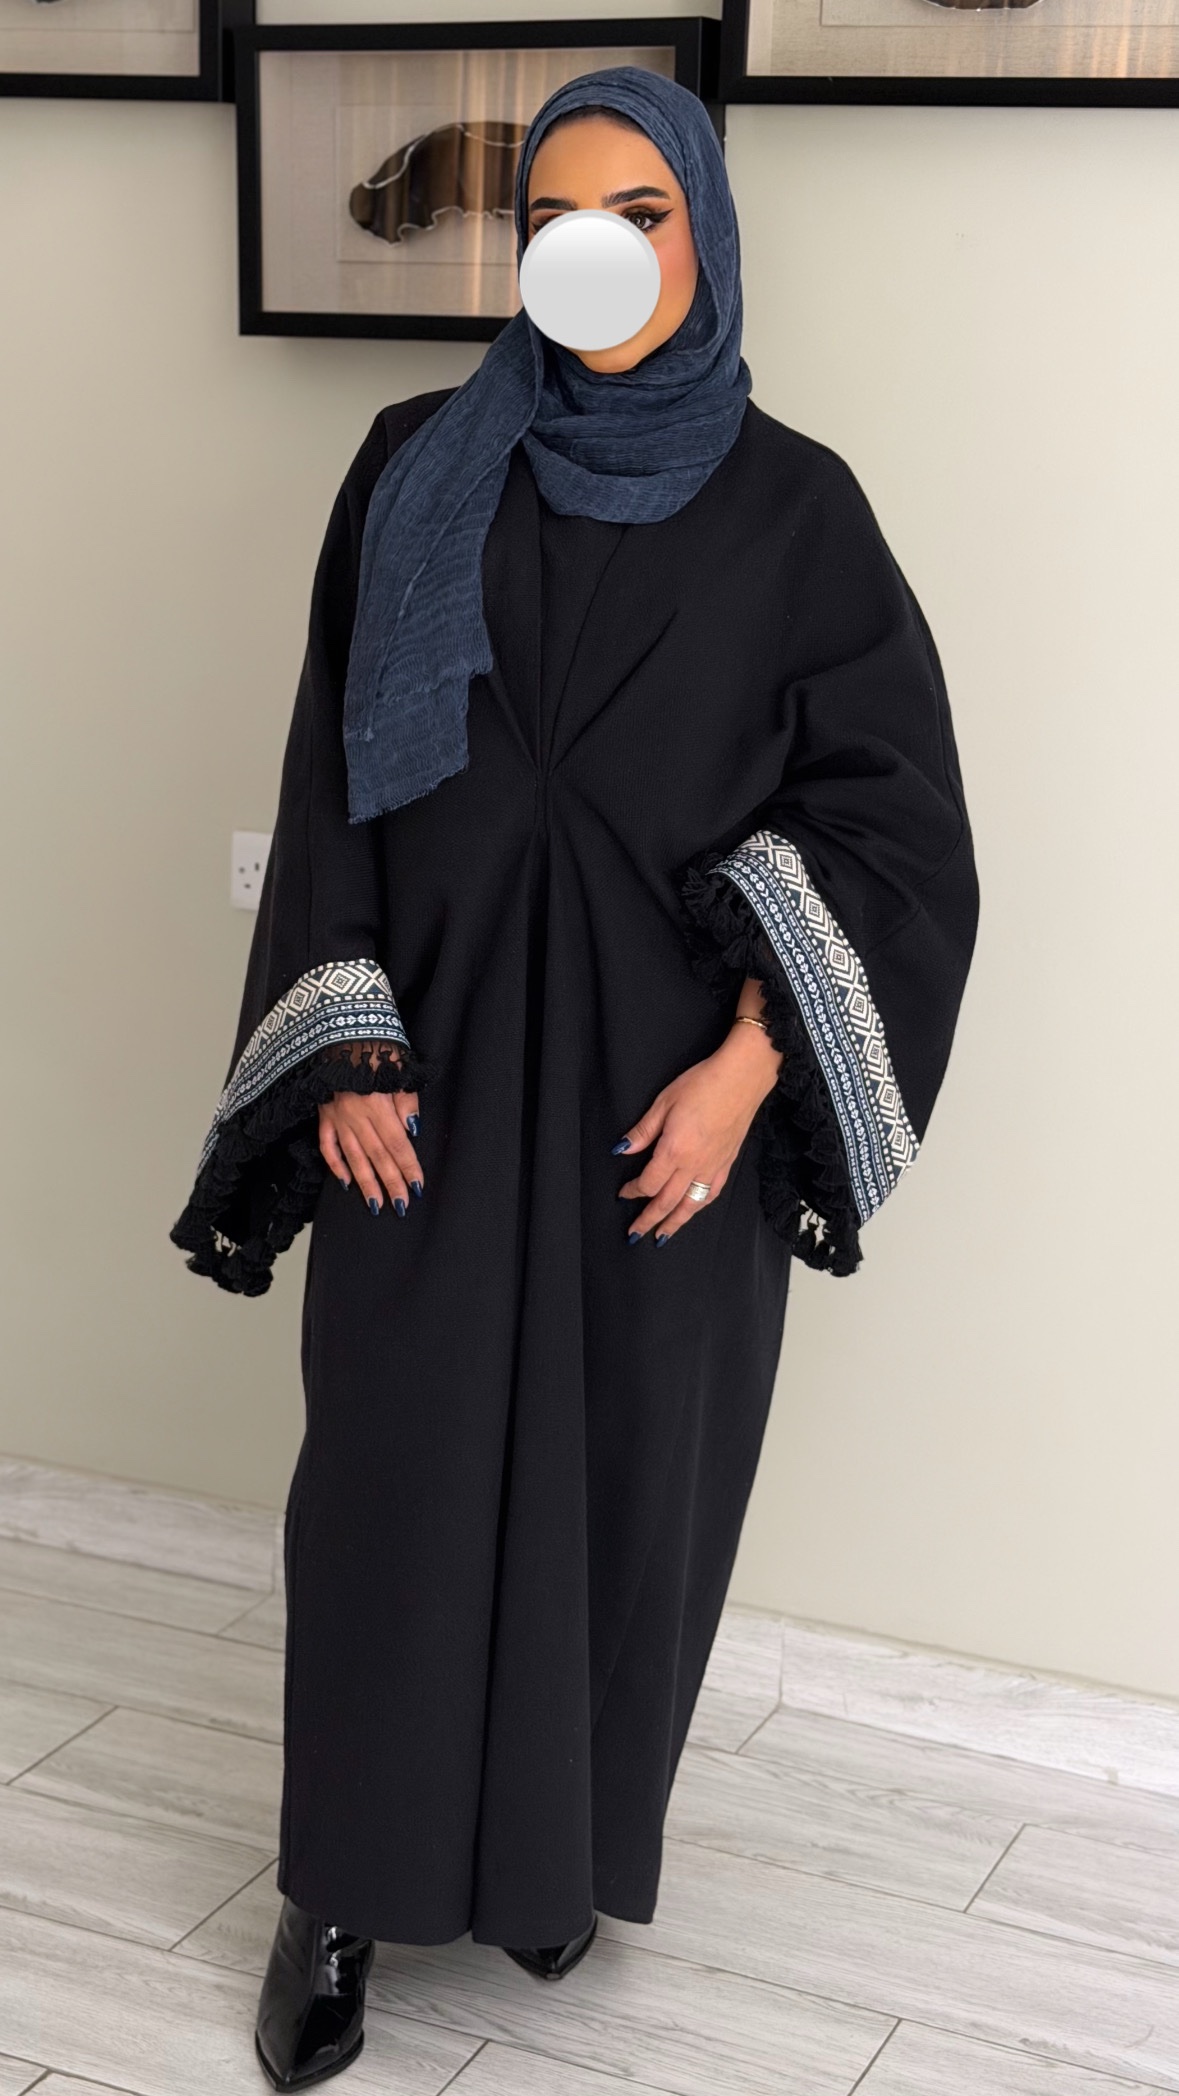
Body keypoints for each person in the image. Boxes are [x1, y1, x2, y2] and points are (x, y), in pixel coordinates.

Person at [169, 65, 978, 2092]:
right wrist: (342, 1038)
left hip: (658, 1099)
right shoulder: (413, 462)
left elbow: (893, 831)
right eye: (551, 219)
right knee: (395, 1482)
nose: (590, 249)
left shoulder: (800, 512)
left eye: (637, 211)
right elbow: (332, 773)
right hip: (425, 1070)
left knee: (629, 1485)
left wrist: (747, 1071)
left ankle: (549, 1859)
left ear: (703, 234)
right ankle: (339, 1895)